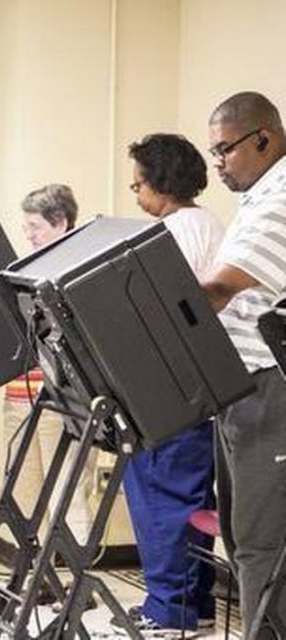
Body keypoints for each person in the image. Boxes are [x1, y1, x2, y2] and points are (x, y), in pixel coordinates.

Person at [115, 134, 223, 636]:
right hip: (205, 392)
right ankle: (195, 604)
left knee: (161, 500)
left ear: (160, 182)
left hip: (171, 393)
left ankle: (168, 612)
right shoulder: (210, 224)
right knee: (193, 502)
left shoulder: (170, 235)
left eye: (138, 184)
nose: (137, 194)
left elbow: (155, 317)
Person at [200, 91, 286, 632]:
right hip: (241, 387)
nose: (218, 164)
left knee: (262, 545)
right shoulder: (258, 198)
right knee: (242, 539)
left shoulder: (281, 199)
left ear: (263, 139)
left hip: (272, 389)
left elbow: (217, 290)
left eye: (224, 150)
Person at [3, 184, 98, 572]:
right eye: (25, 226)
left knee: (66, 490)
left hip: (63, 398)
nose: (28, 234)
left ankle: (76, 579)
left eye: (35, 226)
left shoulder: (79, 266)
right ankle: (41, 574)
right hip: (21, 394)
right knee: (26, 490)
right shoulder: (28, 268)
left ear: (61, 223)